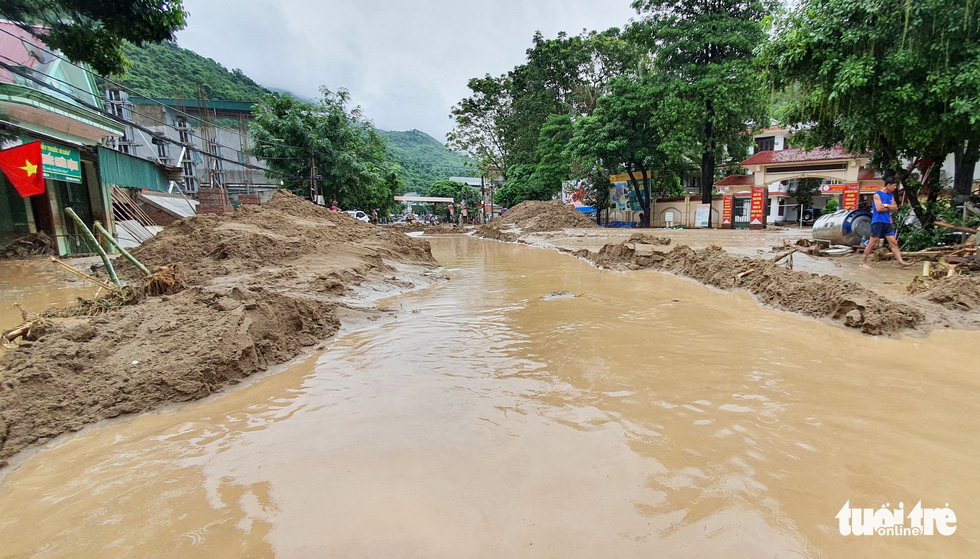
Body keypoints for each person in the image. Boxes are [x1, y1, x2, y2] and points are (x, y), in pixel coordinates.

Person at [861, 176, 912, 269]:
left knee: (894, 242)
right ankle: (863, 262)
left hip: (887, 222)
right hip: (877, 221)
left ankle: (901, 262)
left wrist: (886, 205)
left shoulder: (890, 195)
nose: (895, 188)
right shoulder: (877, 195)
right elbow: (879, 209)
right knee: (873, 242)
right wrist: (889, 207)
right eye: (894, 185)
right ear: (888, 185)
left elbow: (895, 207)